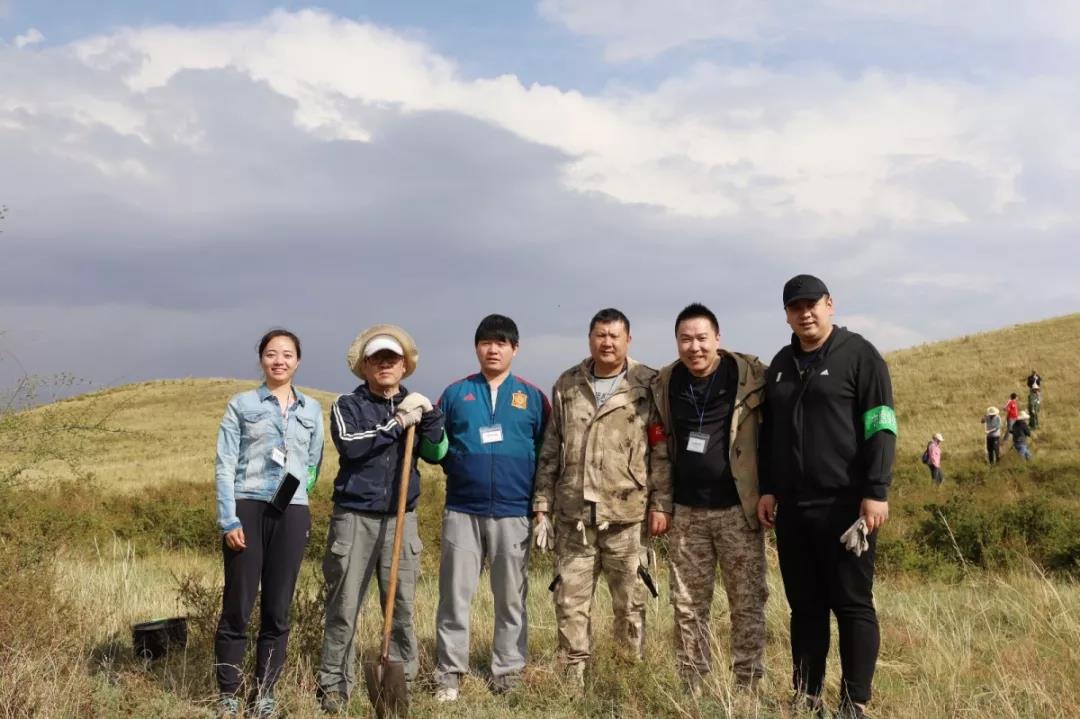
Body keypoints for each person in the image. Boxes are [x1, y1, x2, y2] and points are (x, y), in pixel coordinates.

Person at [757, 275, 896, 719]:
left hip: (847, 507)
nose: (805, 313)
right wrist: (768, 488)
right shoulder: (781, 365)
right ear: (786, 315)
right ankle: (807, 696)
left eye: (812, 304)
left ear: (829, 304)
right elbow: (769, 435)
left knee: (852, 604)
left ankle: (854, 702)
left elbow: (881, 424)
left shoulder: (860, 355)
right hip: (793, 509)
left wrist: (875, 491)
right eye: (795, 307)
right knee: (805, 607)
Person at [532, 308, 672, 687]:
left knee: (631, 605)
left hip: (627, 516)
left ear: (628, 340)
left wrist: (661, 504)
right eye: (600, 335)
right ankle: (572, 681)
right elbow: (551, 449)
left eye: (614, 335)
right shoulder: (568, 384)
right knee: (569, 603)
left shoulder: (648, 383)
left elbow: (660, 451)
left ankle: (626, 680)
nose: (607, 342)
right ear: (590, 338)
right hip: (574, 517)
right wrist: (542, 506)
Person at [316, 325, 446, 714]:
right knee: (344, 608)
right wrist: (397, 424)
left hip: (402, 520)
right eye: (377, 358)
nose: (385, 364)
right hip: (354, 519)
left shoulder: (416, 404)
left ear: (404, 366)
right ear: (365, 366)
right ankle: (334, 687)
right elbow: (352, 447)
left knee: (401, 607)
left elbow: (436, 453)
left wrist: (431, 417)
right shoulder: (347, 406)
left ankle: (401, 685)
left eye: (392, 358)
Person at [650, 303, 768, 696]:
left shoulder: (750, 374)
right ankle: (692, 686)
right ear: (676, 342)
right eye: (686, 339)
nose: (694, 347)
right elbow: (660, 450)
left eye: (702, 338)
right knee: (687, 606)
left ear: (718, 338)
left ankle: (747, 688)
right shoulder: (665, 382)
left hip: (738, 511)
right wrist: (661, 503)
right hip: (687, 513)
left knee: (747, 603)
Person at [432, 315, 550, 701]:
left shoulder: (533, 398)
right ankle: (449, 673)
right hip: (462, 509)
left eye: (501, 343)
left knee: (511, 598)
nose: (493, 349)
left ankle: (508, 673)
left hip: (514, 512)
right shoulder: (455, 394)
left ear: (515, 349)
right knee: (454, 596)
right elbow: (437, 448)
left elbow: (546, 453)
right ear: (476, 348)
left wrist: (541, 507)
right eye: (486, 342)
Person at [213, 329, 325, 718]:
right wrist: (228, 519)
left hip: (291, 512)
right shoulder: (241, 404)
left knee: (278, 609)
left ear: (298, 361)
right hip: (247, 507)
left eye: (287, 354)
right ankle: (228, 693)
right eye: (272, 354)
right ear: (261, 359)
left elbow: (313, 464)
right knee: (238, 604)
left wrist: (297, 493)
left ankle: (264, 694)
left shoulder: (311, 409)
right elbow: (225, 464)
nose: (279, 360)